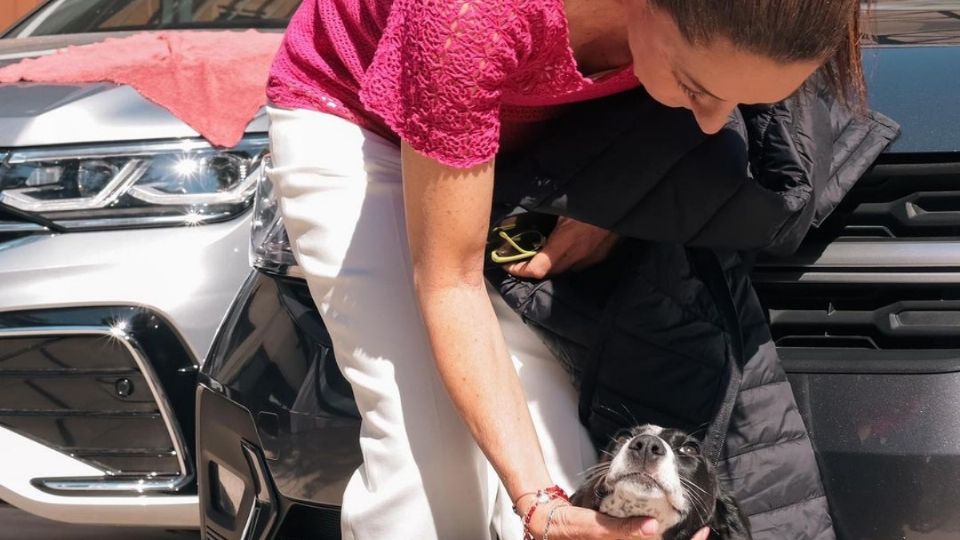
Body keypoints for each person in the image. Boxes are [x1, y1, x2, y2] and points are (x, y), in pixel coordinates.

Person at [264, 0, 865, 538]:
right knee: (430, 463)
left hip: (536, 138)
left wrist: (621, 199)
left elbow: (708, 114)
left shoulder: (727, 36)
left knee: (564, 460)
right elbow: (449, 281)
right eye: (696, 87)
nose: (713, 122)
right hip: (361, 123)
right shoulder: (468, 15)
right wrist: (539, 507)